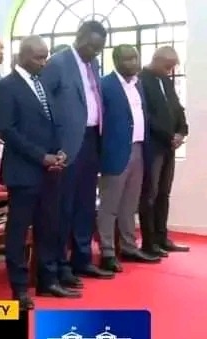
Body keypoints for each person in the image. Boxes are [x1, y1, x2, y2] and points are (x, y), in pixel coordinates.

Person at [0, 35, 75, 308]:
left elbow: (54, 123)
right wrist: (42, 157)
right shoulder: (7, 86)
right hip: (24, 171)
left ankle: (48, 280)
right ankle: (18, 288)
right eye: (39, 57)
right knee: (18, 231)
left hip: (51, 170)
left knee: (48, 226)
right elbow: (8, 130)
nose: (44, 61)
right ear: (24, 56)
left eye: (46, 56)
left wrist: (60, 151)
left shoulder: (41, 83)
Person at [41, 21, 114, 288]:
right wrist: (52, 145)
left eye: (99, 48)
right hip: (67, 144)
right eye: (91, 45)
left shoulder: (93, 64)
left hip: (93, 139)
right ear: (79, 36)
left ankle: (82, 259)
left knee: (85, 204)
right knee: (65, 206)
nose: (94, 51)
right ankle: (60, 264)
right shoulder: (58, 63)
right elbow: (45, 105)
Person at [98, 45, 160, 270]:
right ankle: (107, 252)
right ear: (116, 61)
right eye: (127, 59)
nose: (134, 63)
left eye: (135, 58)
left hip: (138, 149)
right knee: (109, 206)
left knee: (129, 205)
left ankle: (129, 247)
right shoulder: (105, 85)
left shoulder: (138, 84)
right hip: (115, 151)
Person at [138, 46, 190, 255]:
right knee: (149, 194)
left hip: (169, 146)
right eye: (168, 66)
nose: (170, 71)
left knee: (164, 193)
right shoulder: (142, 80)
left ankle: (162, 237)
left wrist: (181, 131)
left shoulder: (165, 81)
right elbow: (146, 115)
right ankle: (149, 243)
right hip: (154, 146)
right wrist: (167, 136)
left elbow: (177, 108)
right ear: (157, 60)